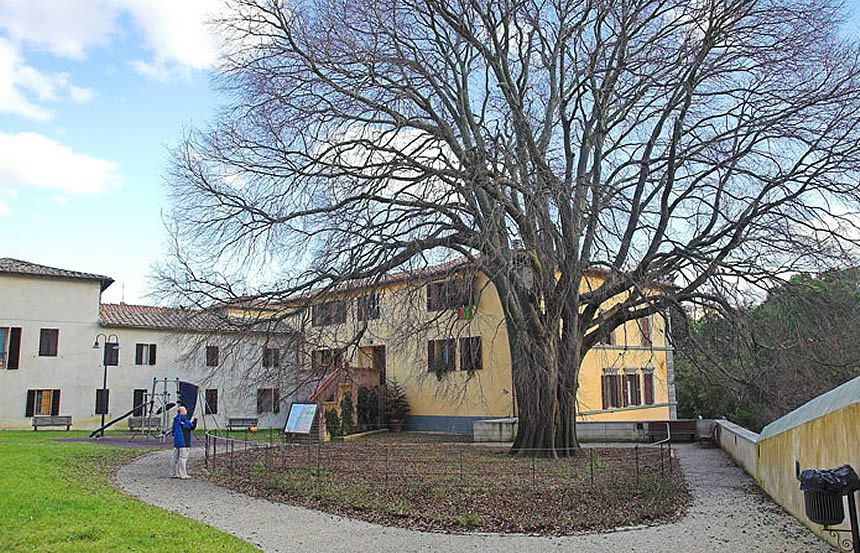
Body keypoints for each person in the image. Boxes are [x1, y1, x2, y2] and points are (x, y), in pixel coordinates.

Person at [170, 406, 197, 479]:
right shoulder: (183, 419)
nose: (186, 411)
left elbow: (173, 430)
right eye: (185, 410)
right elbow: (191, 427)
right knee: (183, 458)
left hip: (177, 441)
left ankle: (173, 473)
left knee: (175, 458)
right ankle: (183, 474)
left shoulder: (175, 419)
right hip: (184, 441)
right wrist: (195, 419)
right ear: (182, 411)